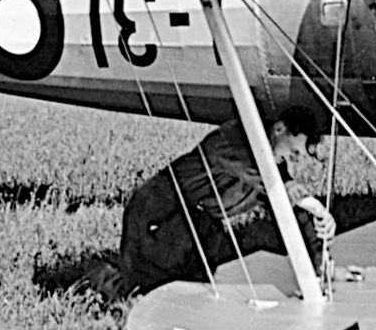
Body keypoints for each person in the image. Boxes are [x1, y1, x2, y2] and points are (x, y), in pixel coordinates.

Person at [77, 106, 336, 298]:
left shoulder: (268, 164)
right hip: (155, 214)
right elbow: (273, 185)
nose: (293, 159)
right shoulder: (234, 139)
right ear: (279, 129)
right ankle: (96, 275)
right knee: (142, 293)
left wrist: (320, 266)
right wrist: (308, 201)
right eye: (294, 152)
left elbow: (289, 211)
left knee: (193, 290)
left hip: (195, 222)